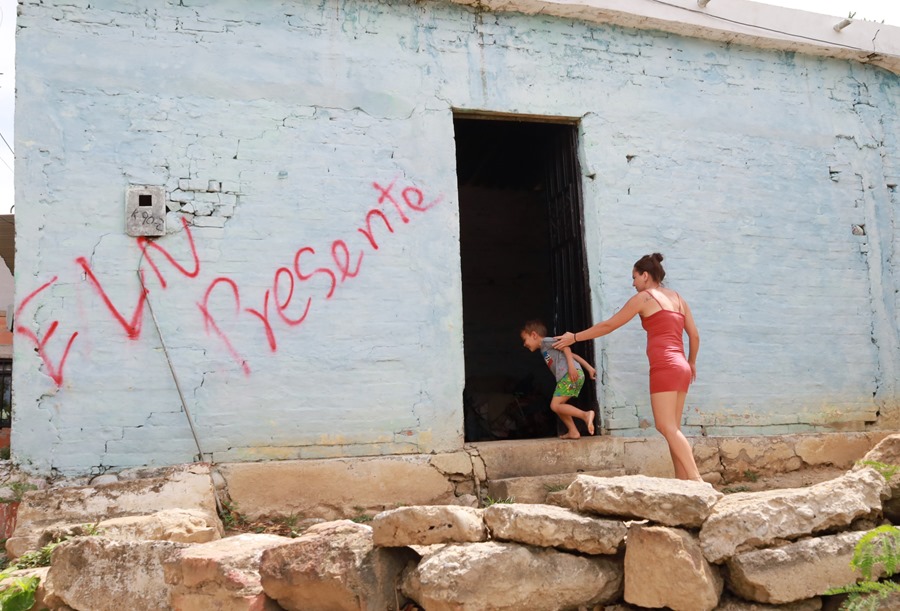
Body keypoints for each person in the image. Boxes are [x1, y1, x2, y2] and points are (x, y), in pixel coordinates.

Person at [552, 253, 703, 481]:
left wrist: (574, 337)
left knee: (665, 427)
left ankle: (696, 480)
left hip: (664, 367)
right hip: (681, 367)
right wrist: (691, 363)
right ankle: (683, 481)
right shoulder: (678, 298)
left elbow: (609, 324)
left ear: (645, 275)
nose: (632, 283)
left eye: (634, 277)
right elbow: (694, 335)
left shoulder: (645, 298)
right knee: (673, 429)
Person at [520, 320, 597, 439]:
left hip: (570, 375)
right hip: (571, 375)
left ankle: (585, 415)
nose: (524, 344)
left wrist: (571, 367)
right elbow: (573, 355)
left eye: (525, 340)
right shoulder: (544, 349)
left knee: (555, 406)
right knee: (560, 406)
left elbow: (566, 348)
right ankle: (573, 431)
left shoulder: (546, 342)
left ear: (534, 335)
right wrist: (589, 367)